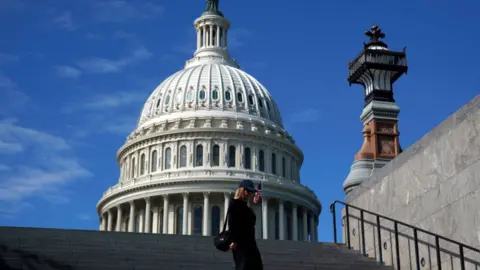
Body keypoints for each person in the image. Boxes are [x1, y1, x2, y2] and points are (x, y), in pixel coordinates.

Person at [228, 179, 263, 270]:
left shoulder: (246, 207)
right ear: (242, 190)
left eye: (251, 192)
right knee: (243, 266)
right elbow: (232, 223)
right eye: (248, 191)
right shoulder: (235, 204)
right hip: (241, 243)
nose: (250, 194)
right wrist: (234, 240)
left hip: (250, 243)